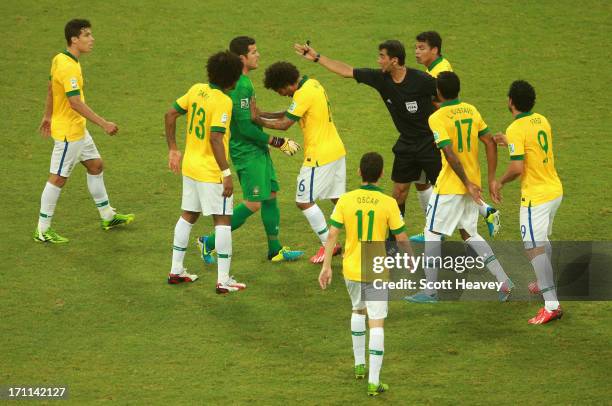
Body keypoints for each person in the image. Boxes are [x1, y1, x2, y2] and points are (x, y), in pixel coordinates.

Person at [294, 40, 440, 245]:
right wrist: (317, 57)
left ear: (394, 60)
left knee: (447, 191)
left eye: (382, 56)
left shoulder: (421, 80)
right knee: (398, 193)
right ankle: (392, 242)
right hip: (406, 144)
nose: (378, 60)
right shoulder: (381, 79)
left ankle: (466, 233)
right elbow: (347, 71)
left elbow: (444, 99)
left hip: (430, 142)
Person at [404, 72, 513, 303]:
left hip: (452, 185)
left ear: (438, 92)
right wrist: (490, 177)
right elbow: (490, 142)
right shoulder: (471, 110)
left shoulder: (437, 117)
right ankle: (504, 281)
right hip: (472, 183)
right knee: (469, 234)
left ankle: (431, 291)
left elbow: (450, 154)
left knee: (431, 233)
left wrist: (465, 183)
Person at [197, 36, 303, 263]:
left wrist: (278, 114)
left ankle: (275, 249)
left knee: (271, 195)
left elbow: (252, 116)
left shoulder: (245, 82)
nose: (258, 55)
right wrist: (278, 142)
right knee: (253, 202)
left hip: (256, 149)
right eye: (254, 52)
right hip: (246, 150)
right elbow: (244, 127)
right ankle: (209, 242)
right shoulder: (240, 86)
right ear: (241, 58)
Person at [319, 152, 411, 397]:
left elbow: (332, 234)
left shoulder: (346, 200)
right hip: (377, 268)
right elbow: (401, 237)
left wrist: (326, 266)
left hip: (351, 268)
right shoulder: (389, 203)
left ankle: (359, 365)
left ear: (359, 172)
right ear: (381, 174)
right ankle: (374, 381)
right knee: (377, 323)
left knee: (358, 310)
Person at [34, 19, 134, 243]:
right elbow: (75, 103)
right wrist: (104, 123)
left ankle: (107, 216)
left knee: (96, 165)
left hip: (76, 128)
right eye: (87, 35)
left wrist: (48, 115)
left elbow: (51, 88)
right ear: (74, 39)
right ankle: (42, 230)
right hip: (70, 133)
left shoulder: (60, 58)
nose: (92, 39)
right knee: (58, 178)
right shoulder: (69, 67)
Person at [164, 51, 246, 294]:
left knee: (188, 214)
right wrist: (226, 172)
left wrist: (173, 149)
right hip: (211, 171)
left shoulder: (196, 90)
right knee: (223, 220)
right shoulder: (223, 101)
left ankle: (176, 270)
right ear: (231, 79)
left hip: (190, 166)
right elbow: (216, 138)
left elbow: (170, 114)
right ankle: (223, 280)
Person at [413, 31, 501, 241]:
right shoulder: (437, 68)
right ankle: (439, 227)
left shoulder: (440, 72)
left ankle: (435, 231)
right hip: (441, 131)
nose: (416, 52)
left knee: (442, 178)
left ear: (434, 50)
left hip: (442, 132)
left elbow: (439, 102)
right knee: (420, 179)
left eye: (421, 48)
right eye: (416, 48)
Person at [258, 61, 344, 264]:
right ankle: (368, 235)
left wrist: (257, 121)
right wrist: (263, 114)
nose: (281, 94)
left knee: (303, 200)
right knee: (339, 200)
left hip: (319, 156)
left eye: (279, 90)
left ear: (286, 84)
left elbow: (285, 124)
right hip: (337, 151)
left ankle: (328, 245)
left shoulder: (303, 94)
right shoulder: (313, 84)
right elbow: (291, 112)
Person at [493, 80, 563, 324]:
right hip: (554, 190)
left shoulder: (516, 128)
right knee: (540, 241)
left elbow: (516, 168)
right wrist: (509, 141)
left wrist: (499, 182)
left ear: (510, 101)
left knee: (533, 247)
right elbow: (530, 146)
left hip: (536, 198)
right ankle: (544, 283)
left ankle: (551, 304)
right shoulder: (541, 120)